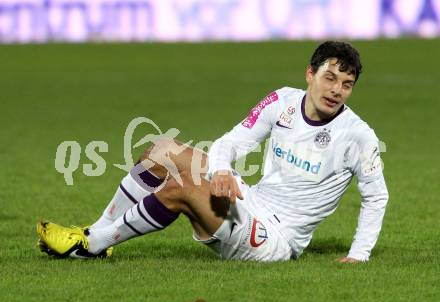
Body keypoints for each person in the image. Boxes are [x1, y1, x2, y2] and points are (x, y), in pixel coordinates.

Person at [37, 41, 389, 263]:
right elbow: (231, 142)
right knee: (163, 150)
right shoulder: (283, 100)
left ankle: (91, 245)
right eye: (330, 78)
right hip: (252, 201)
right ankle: (97, 232)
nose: (337, 90)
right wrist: (221, 170)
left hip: (275, 240)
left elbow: (377, 198)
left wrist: (358, 256)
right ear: (310, 75)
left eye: (347, 84)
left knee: (182, 187)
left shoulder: (358, 136)